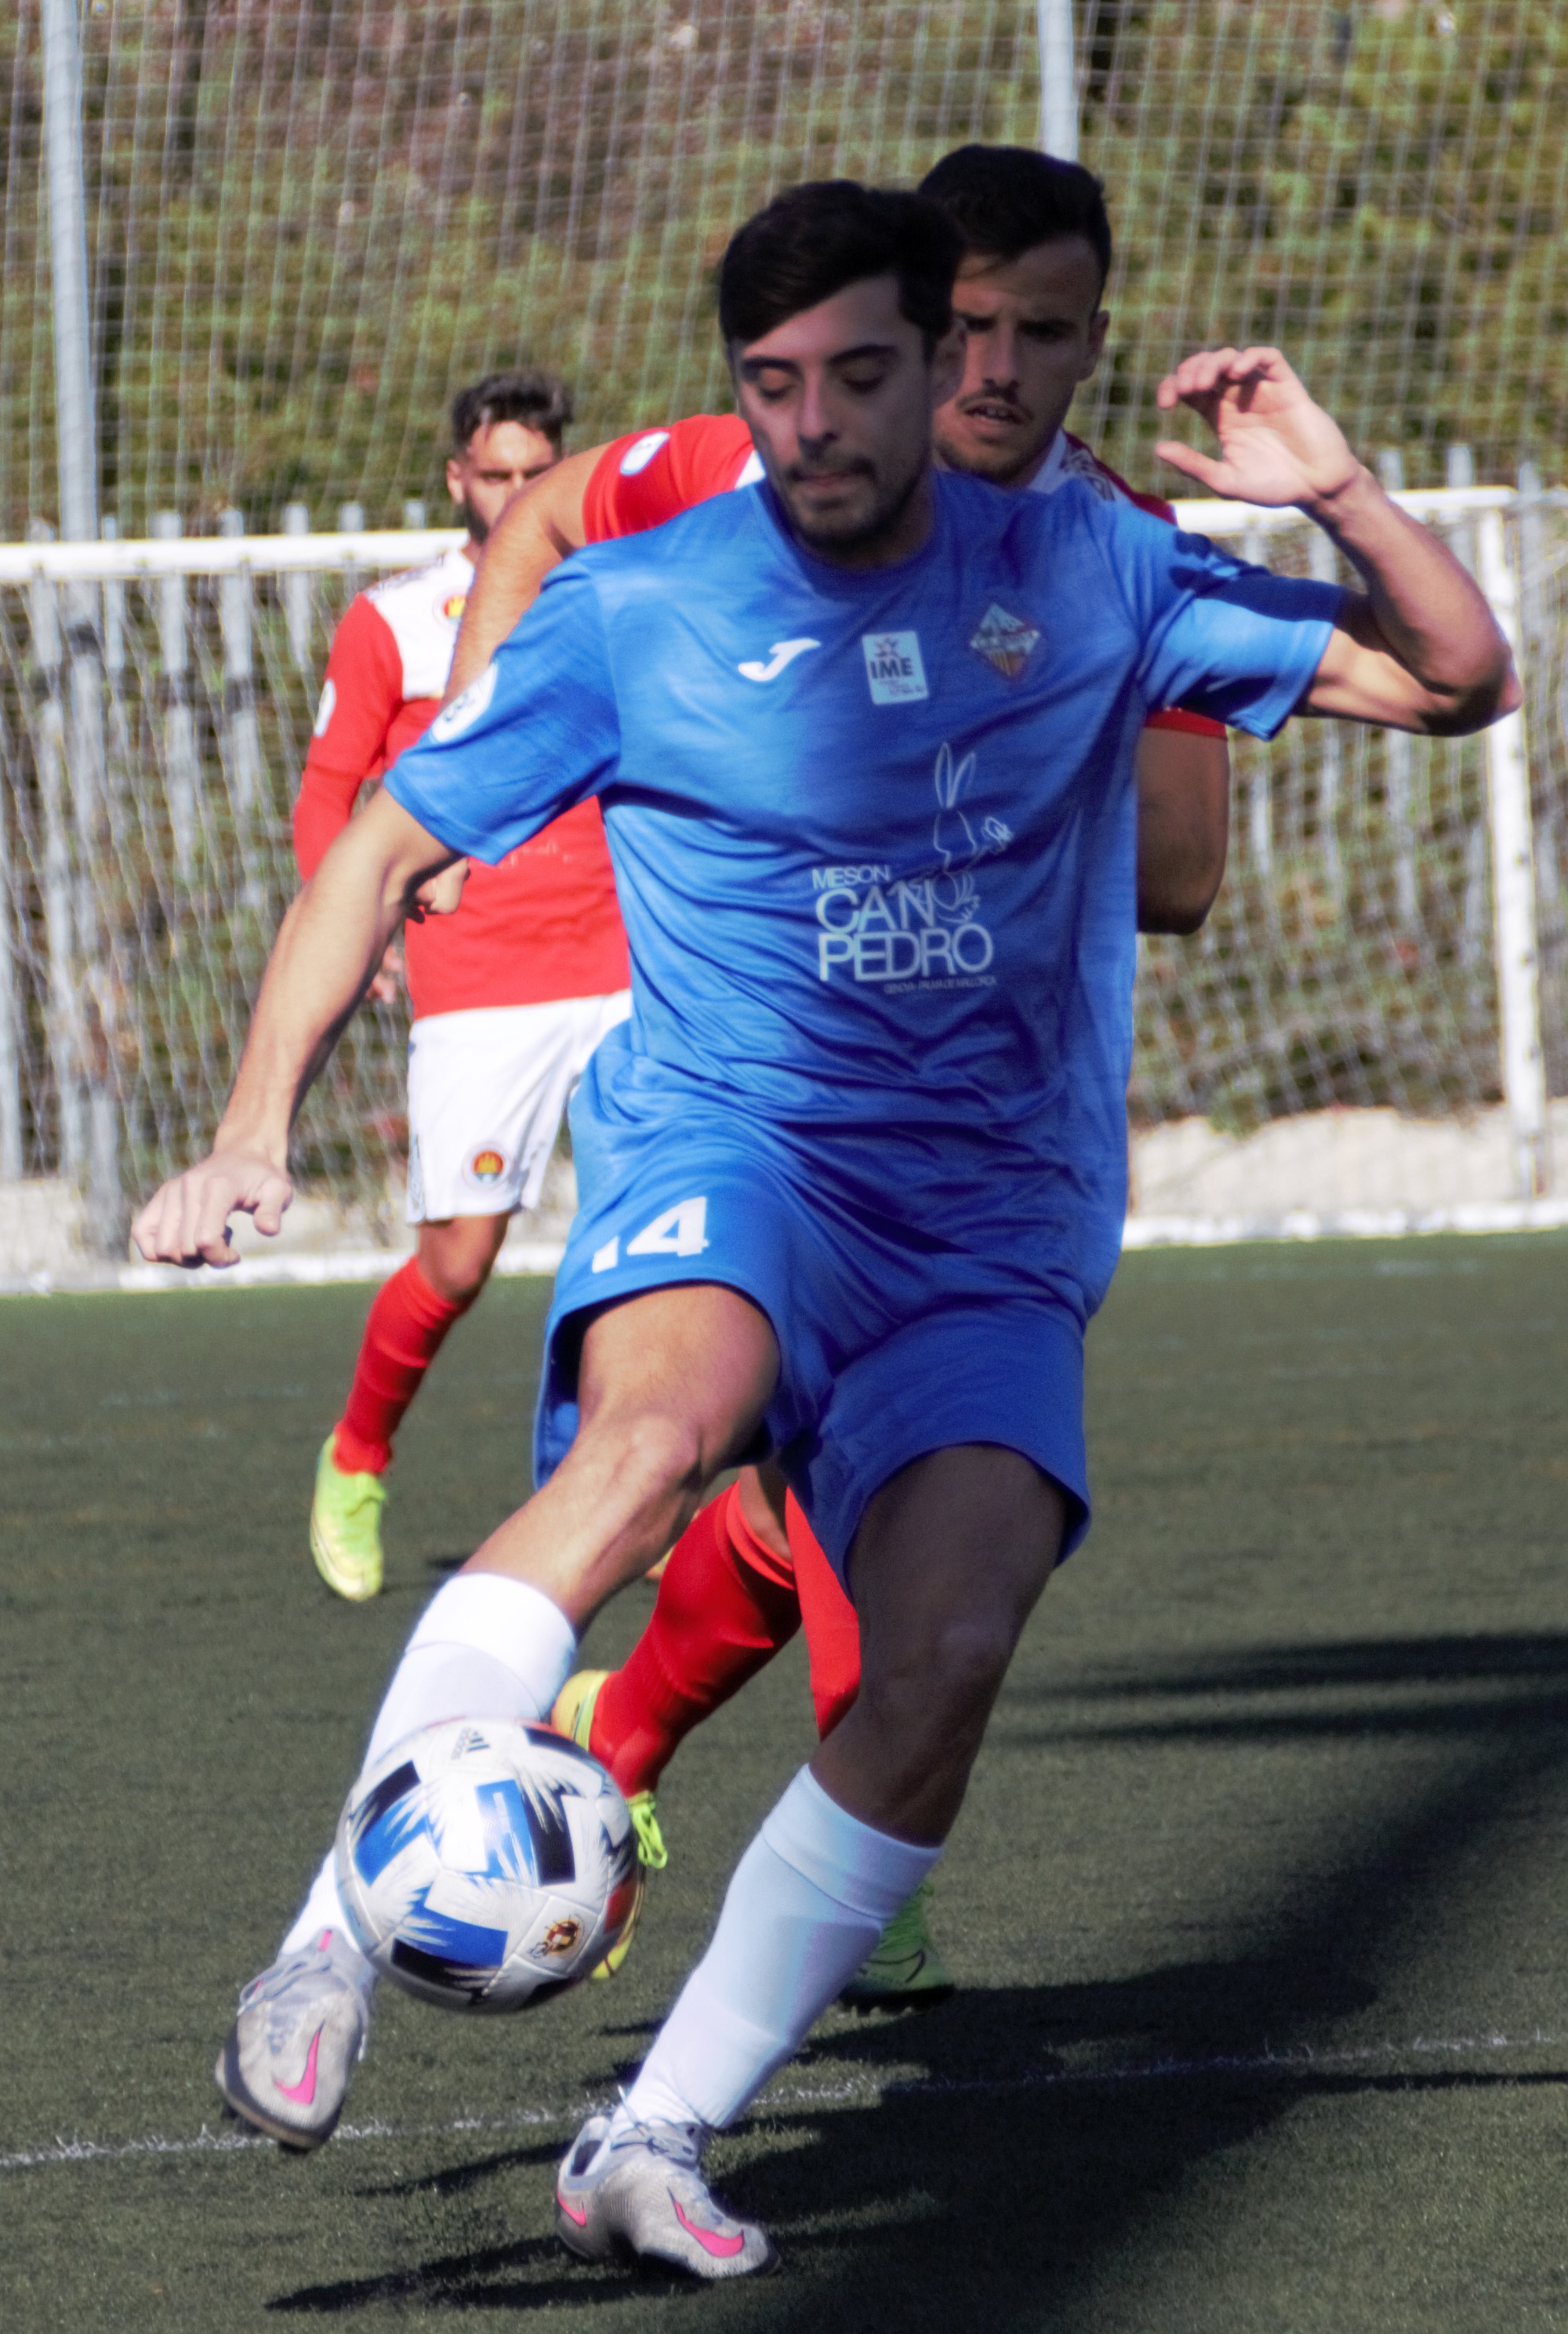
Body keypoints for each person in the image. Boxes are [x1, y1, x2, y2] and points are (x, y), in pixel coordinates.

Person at [137, 180, 1512, 2278]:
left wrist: (1335, 490)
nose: (824, 420)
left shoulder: (1099, 567)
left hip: (994, 1213)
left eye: (867, 370)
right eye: (776, 383)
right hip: (740, 1142)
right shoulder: (645, 603)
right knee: (649, 1448)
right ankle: (329, 1942)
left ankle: (653, 2133)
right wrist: (254, 1128)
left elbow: (1456, 679)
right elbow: (383, 847)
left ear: (942, 358)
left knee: (948, 1647)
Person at [490, 144, 1230, 2003]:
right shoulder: (739, 476)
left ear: (1093, 342)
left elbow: (1185, 874)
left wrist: (999, 764)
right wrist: (516, 766)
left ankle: (627, 1731)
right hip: (755, 1084)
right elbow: (550, 516)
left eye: (1040, 333)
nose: (993, 371)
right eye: (960, 328)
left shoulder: (1113, 552)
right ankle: (819, 1838)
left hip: (996, 1116)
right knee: (778, 1457)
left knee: (844, 1487)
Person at [289, 369, 631, 1603]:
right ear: (457, 480)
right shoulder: (396, 620)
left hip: (627, 966)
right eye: (496, 474)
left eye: (539, 473)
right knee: (459, 1260)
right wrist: (357, 924)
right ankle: (357, 1454)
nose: (517, 493)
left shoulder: (617, 591)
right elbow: (329, 792)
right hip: (480, 979)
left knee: (652, 1243)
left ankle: (618, 1486)